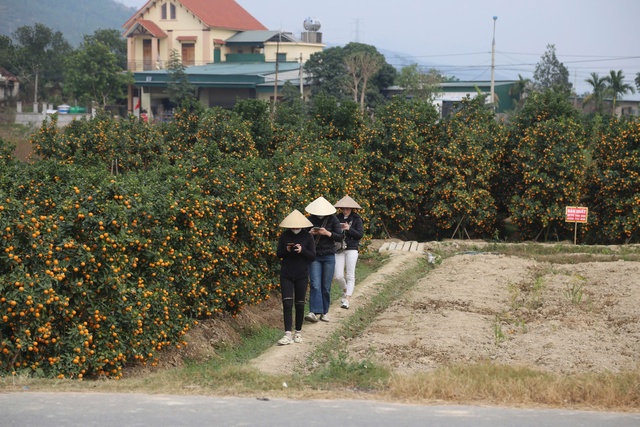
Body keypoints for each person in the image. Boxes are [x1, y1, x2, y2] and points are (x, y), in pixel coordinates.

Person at [275, 209, 316, 345]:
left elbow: (312, 256)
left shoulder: (307, 237)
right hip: (286, 273)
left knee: (299, 303)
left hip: (301, 273)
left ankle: (298, 332)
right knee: (287, 302)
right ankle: (287, 333)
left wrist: (302, 250)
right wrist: (286, 251)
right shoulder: (284, 236)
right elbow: (279, 254)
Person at [304, 196, 343, 323]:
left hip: (328, 256)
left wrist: (327, 233)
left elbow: (339, 237)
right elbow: (302, 237)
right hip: (314, 255)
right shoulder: (310, 219)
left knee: (325, 286)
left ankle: (324, 311)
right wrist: (310, 234)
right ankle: (314, 311)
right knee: (315, 284)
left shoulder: (333, 219)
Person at [333, 196, 364, 309]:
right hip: (339, 249)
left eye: (347, 208)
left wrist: (348, 229)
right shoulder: (336, 218)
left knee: (350, 275)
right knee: (338, 276)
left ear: (351, 209)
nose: (345, 210)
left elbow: (359, 235)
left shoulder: (356, 219)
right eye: (343, 208)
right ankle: (345, 290)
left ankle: (347, 299)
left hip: (351, 248)